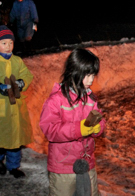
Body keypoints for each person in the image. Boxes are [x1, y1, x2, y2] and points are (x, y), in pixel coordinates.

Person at [39, 48, 106, 196]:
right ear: (74, 72)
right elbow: (50, 129)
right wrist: (78, 130)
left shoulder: (90, 97)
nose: (91, 80)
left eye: (93, 75)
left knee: (91, 193)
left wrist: (98, 127)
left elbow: (100, 118)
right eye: (87, 75)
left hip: (87, 163)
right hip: (63, 166)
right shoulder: (56, 100)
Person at [0, 25, 33, 178]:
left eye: (10, 43)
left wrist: (21, 82)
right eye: (3, 43)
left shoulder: (16, 61)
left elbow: (27, 75)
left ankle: (13, 166)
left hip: (15, 109)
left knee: (15, 141)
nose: (8, 47)